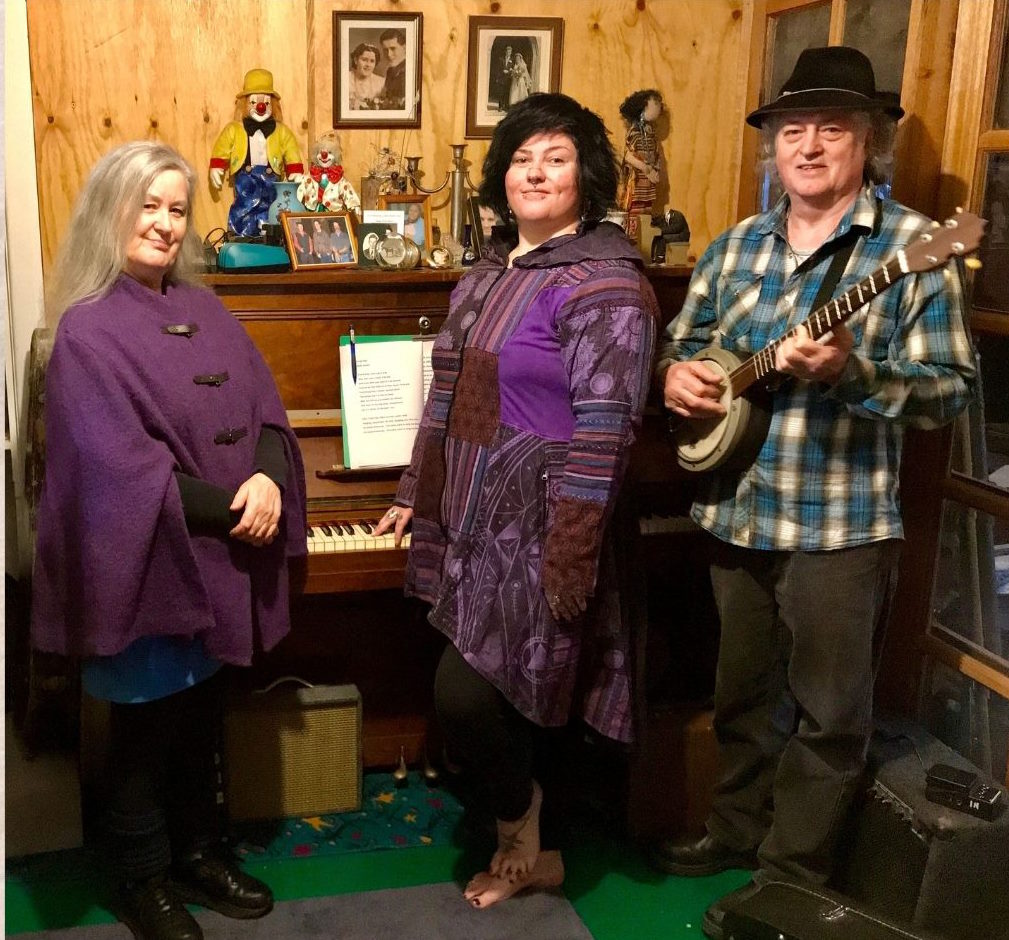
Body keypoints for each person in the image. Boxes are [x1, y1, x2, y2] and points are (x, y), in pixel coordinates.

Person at [650, 47, 975, 939]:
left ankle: (789, 875)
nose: (808, 145)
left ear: (866, 142)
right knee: (741, 698)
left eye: (832, 128)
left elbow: (949, 387)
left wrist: (850, 370)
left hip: (840, 526)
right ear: (773, 147)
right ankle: (733, 832)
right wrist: (677, 377)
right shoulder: (735, 245)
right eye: (793, 129)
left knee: (831, 718)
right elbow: (686, 342)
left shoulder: (914, 250)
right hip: (736, 509)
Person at [374, 93, 658, 909]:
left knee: (465, 694)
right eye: (521, 158)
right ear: (500, 176)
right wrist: (411, 491)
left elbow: (606, 429)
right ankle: (537, 833)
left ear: (586, 178)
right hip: (469, 521)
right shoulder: (486, 275)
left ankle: (525, 826)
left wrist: (566, 553)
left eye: (556, 158)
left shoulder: (606, 286)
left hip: (544, 529)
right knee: (486, 690)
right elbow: (445, 397)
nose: (534, 172)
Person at [31, 141, 307, 940]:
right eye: (146, 205)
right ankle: (141, 877)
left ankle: (197, 851)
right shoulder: (86, 332)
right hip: (146, 566)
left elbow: (263, 407)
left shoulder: (210, 308)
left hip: (218, 557)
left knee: (200, 716)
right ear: (110, 211)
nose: (162, 223)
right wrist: (234, 507)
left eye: (176, 209)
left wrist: (265, 477)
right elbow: (119, 471)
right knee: (145, 729)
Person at [209, 68, 304, 236]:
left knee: (270, 209)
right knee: (243, 208)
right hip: (245, 178)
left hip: (271, 179)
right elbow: (222, 147)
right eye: (254, 102)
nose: (260, 107)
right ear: (246, 104)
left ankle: (267, 235)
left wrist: (295, 172)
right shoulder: (234, 129)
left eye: (266, 103)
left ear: (272, 105)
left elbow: (291, 150)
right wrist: (217, 166)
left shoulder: (281, 131)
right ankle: (240, 235)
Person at [618, 89, 664, 215]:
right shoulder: (635, 132)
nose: (659, 106)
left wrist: (654, 170)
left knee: (647, 209)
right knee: (635, 210)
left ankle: (644, 232)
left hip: (648, 183)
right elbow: (628, 156)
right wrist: (646, 169)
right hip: (636, 180)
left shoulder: (650, 132)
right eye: (654, 102)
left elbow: (655, 154)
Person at [348, 42, 385, 110]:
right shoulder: (345, 79)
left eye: (372, 61)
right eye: (364, 60)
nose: (368, 65)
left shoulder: (381, 83)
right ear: (356, 60)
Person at [379, 28, 407, 109]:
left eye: (393, 48)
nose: (389, 54)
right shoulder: (390, 71)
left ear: (404, 48)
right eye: (385, 50)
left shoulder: (410, 70)